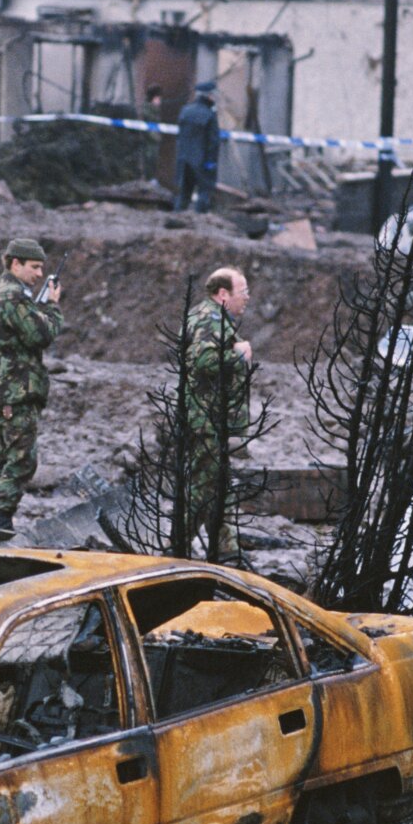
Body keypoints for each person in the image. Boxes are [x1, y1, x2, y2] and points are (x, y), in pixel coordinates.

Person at [0, 238, 64, 531]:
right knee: (22, 459)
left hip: (4, 387)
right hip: (17, 389)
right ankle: (1, 522)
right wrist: (51, 307)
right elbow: (41, 335)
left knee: (4, 455)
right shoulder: (14, 296)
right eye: (34, 267)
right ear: (15, 263)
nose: (39, 274)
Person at [184, 267, 254, 564]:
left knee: (219, 486)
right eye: (243, 292)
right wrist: (239, 355)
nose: (247, 298)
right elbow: (203, 361)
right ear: (223, 294)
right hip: (206, 420)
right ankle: (177, 546)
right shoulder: (209, 319)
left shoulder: (216, 318)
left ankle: (227, 551)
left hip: (214, 419)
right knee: (205, 487)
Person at [173, 82, 221, 212]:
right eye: (214, 95)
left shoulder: (185, 111)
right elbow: (213, 142)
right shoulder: (209, 115)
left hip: (183, 160)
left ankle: (176, 218)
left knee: (183, 192)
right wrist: (211, 162)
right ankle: (201, 222)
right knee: (204, 192)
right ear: (209, 96)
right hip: (202, 161)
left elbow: (180, 136)